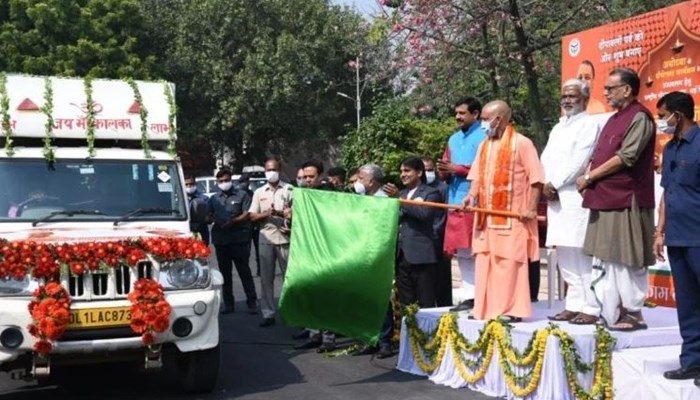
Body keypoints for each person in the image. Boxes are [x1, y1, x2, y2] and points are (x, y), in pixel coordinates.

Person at [576, 67, 656, 331]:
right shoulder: (613, 118)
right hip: (605, 196)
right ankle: (610, 311)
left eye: (611, 88)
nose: (606, 92)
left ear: (628, 89)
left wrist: (589, 178)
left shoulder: (640, 117)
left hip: (626, 197)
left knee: (626, 256)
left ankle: (633, 313)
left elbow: (627, 157)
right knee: (607, 257)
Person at [464, 100, 544, 322]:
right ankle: (484, 308)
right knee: (485, 262)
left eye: (484, 119)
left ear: (497, 119)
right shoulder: (484, 145)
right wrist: (470, 196)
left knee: (509, 264)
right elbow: (476, 178)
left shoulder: (522, 143)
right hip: (486, 219)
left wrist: (530, 208)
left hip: (512, 218)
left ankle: (511, 310)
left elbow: (536, 180)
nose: (482, 124)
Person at [541, 79, 602, 324]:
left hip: (574, 196)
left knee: (581, 251)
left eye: (572, 96)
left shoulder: (589, 124)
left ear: (585, 99)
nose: (567, 100)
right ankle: (573, 304)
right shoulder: (558, 128)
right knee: (564, 252)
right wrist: (543, 183)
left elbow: (579, 160)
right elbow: (545, 157)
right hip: (554, 196)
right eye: (564, 96)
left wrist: (553, 183)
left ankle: (591, 307)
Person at [652, 92, 700, 381]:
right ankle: (692, 361)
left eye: (662, 116)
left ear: (677, 116)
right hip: (677, 239)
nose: (662, 122)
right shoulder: (670, 149)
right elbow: (666, 194)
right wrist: (659, 232)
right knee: (688, 303)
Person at [438, 97, 487, 312]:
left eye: (462, 113)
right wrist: (443, 171)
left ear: (475, 114)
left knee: (478, 250)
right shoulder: (453, 139)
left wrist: (458, 170)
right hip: (455, 201)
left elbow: (488, 169)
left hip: (477, 202)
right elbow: (446, 164)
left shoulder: (486, 135)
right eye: (456, 113)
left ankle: (483, 295)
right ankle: (469, 295)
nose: (457, 117)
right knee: (463, 251)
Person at [293, 159, 338, 352]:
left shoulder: (332, 193)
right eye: (305, 177)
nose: (308, 180)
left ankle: (328, 338)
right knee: (310, 293)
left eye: (311, 176)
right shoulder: (301, 194)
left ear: (320, 176)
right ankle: (313, 334)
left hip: (327, 249)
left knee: (326, 296)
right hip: (307, 248)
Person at [351, 164, 393, 358]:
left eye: (361, 178)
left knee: (381, 298)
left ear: (372, 180)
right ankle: (369, 339)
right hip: (362, 252)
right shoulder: (360, 199)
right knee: (364, 298)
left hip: (379, 254)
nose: (358, 182)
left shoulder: (384, 200)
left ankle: (385, 341)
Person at [249, 157, 293, 327]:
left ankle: (291, 312)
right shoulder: (259, 192)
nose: (271, 172)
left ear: (279, 170)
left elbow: (297, 214)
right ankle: (268, 313)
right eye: (268, 170)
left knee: (289, 278)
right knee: (266, 279)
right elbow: (252, 215)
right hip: (265, 238)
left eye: (273, 169)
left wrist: (283, 214)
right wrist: (266, 214)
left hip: (285, 238)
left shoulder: (289, 190)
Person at [208, 168, 258, 315]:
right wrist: (210, 218)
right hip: (221, 241)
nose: (224, 183)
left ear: (231, 180)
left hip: (239, 240)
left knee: (244, 272)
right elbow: (208, 215)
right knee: (225, 274)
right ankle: (229, 304)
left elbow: (247, 214)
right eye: (221, 181)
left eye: (226, 180)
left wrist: (233, 221)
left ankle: (252, 302)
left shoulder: (242, 195)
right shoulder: (214, 198)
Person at [397, 157, 442, 309]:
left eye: (407, 171)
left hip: (421, 257)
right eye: (401, 171)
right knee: (406, 303)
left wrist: (401, 201)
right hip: (401, 256)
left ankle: (426, 333)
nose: (403, 174)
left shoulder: (431, 193)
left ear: (419, 172)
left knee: (425, 302)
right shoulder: (402, 193)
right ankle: (409, 332)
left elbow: (424, 214)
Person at [422, 156, 451, 307]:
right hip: (421, 241)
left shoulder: (443, 188)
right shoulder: (416, 190)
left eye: (430, 170)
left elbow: (447, 214)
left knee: (442, 282)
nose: (428, 173)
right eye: (425, 170)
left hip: (438, 239)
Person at [184, 175, 211, 245]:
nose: (189, 186)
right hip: (185, 231)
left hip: (201, 231)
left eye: (191, 184)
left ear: (195, 184)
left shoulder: (204, 199)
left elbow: (209, 217)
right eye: (186, 184)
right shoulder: (180, 199)